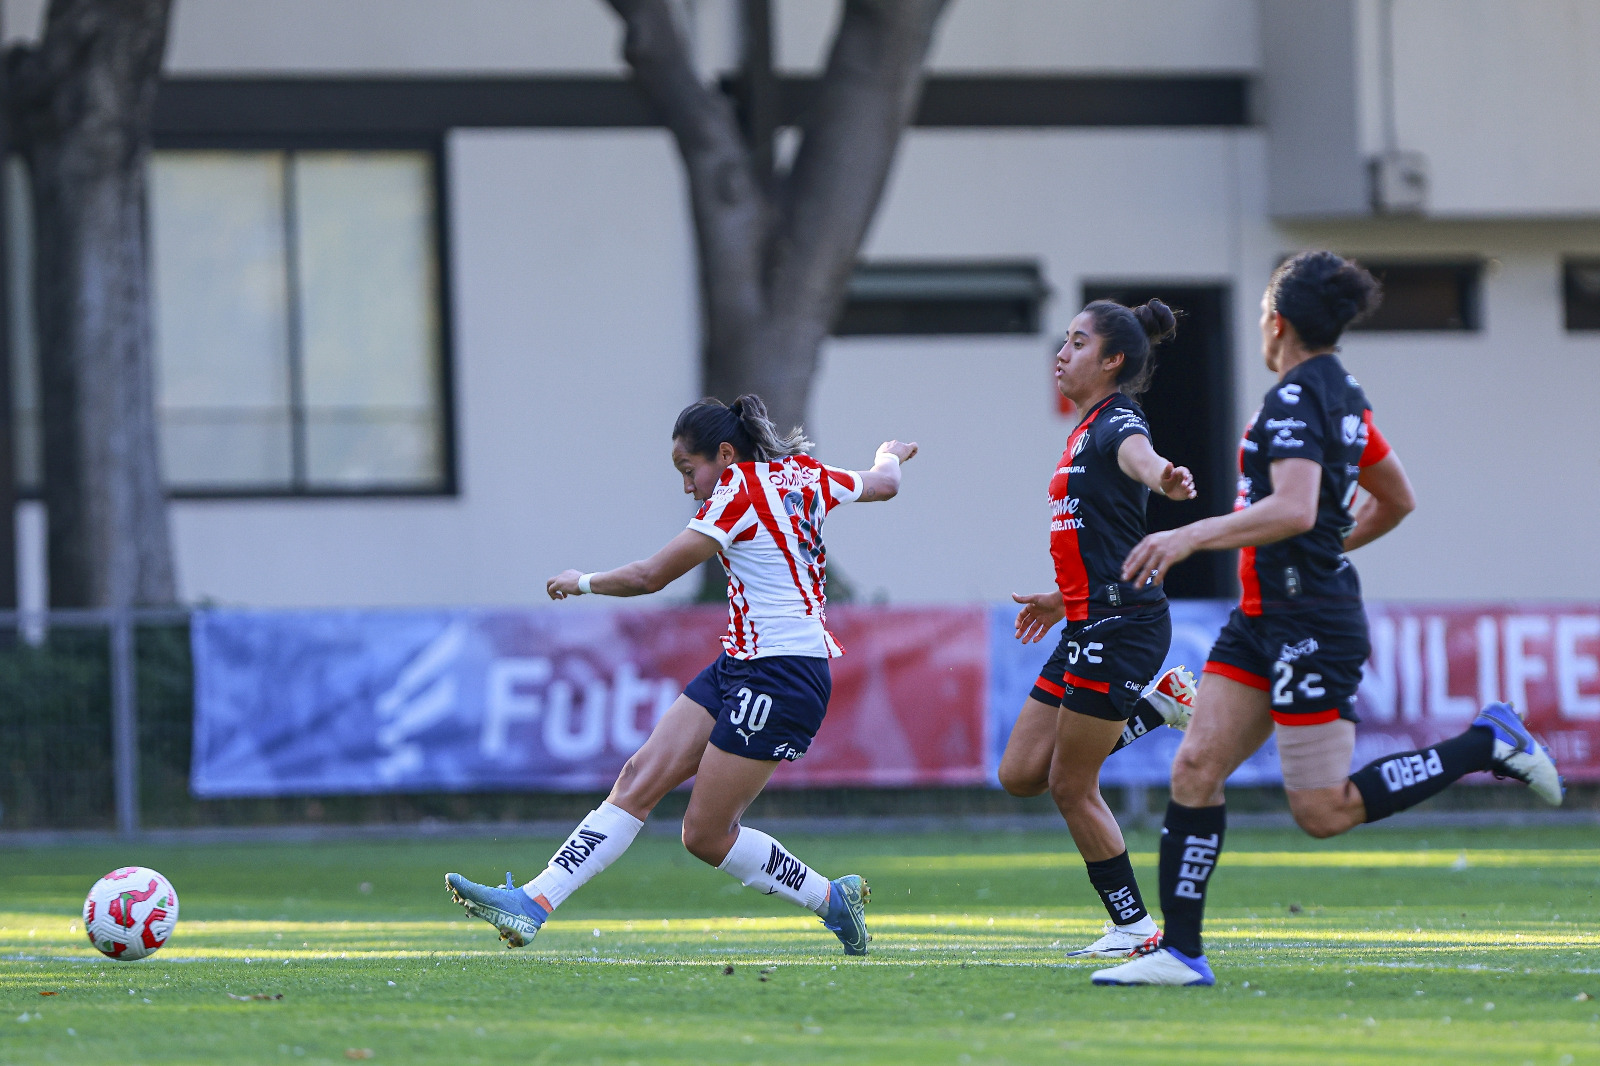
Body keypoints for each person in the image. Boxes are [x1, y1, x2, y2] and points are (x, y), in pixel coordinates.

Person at [1091, 251, 1564, 988]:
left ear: (1275, 323)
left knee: (1323, 810)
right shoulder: (1343, 394)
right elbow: (1395, 498)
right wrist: (1320, 544)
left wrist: (1188, 534)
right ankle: (1180, 953)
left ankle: (1485, 743)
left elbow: (1296, 507)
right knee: (1195, 767)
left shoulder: (1293, 402)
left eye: (1260, 317)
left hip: (1310, 619)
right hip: (1261, 615)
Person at [446, 394, 917, 956]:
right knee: (638, 778)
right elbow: (882, 484)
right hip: (742, 663)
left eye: (688, 470)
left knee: (706, 834)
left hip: (782, 675)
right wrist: (889, 454)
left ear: (723, 454)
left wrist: (582, 581)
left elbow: (650, 577)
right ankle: (533, 903)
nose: (688, 486)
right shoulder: (806, 475)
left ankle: (832, 901)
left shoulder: (737, 490)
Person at [998, 298, 1202, 960]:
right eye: (1065, 340)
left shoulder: (1118, 421)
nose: (1062, 353)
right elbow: (1102, 534)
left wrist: (1165, 477)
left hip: (1122, 624)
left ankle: (1134, 927)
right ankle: (1155, 708)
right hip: (1088, 616)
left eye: (1078, 343)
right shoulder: (1083, 430)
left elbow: (1142, 457)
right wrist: (1064, 598)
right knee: (1021, 773)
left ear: (1113, 360)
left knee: (1068, 783)